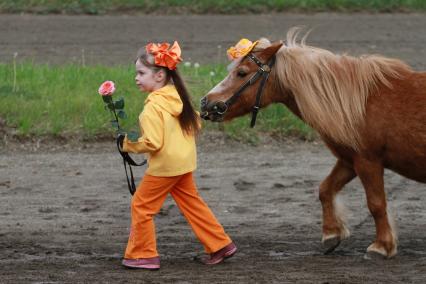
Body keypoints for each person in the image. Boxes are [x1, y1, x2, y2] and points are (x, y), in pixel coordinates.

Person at [118, 41, 236, 270]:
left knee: (141, 206)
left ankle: (143, 255)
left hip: (165, 168)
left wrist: (126, 144)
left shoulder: (152, 108)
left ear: (160, 75)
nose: (137, 78)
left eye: (141, 73)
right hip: (185, 163)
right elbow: (196, 127)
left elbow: (152, 142)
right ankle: (220, 244)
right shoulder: (179, 98)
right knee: (192, 204)